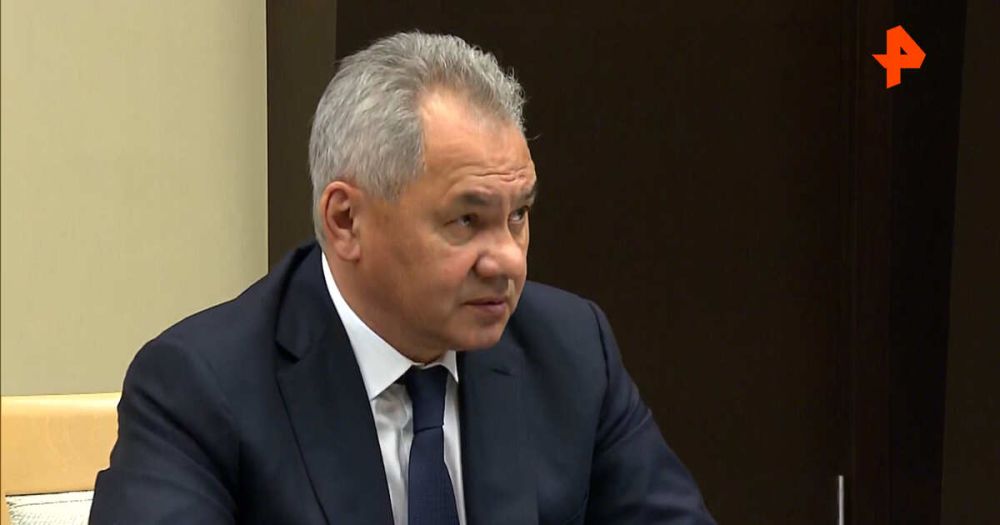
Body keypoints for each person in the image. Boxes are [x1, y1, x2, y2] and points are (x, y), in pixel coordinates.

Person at [90, 32, 716, 525]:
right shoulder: (201, 388)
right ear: (345, 220)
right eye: (466, 220)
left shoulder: (571, 349)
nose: (508, 260)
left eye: (518, 216)